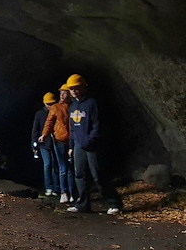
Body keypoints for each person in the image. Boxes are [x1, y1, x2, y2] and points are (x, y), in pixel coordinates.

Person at [65, 74, 123, 215]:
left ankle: (114, 203)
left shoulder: (92, 103)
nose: (73, 91)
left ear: (83, 87)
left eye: (76, 88)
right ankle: (83, 205)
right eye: (71, 89)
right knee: (79, 175)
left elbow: (97, 125)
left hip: (92, 146)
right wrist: (71, 146)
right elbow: (72, 128)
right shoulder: (72, 107)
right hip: (78, 145)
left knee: (98, 175)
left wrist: (90, 141)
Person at [39, 84, 74, 204]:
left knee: (72, 169)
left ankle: (72, 192)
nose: (62, 95)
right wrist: (44, 134)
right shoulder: (56, 107)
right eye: (61, 93)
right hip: (59, 140)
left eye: (65, 93)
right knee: (63, 168)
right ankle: (64, 192)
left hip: (72, 141)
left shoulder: (73, 106)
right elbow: (49, 122)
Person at [31, 92, 59, 196]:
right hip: (44, 144)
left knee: (56, 166)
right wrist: (34, 143)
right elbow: (35, 129)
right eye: (48, 104)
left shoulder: (57, 111)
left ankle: (56, 188)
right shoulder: (40, 114)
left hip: (55, 143)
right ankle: (48, 187)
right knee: (47, 165)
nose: (50, 106)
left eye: (52, 103)